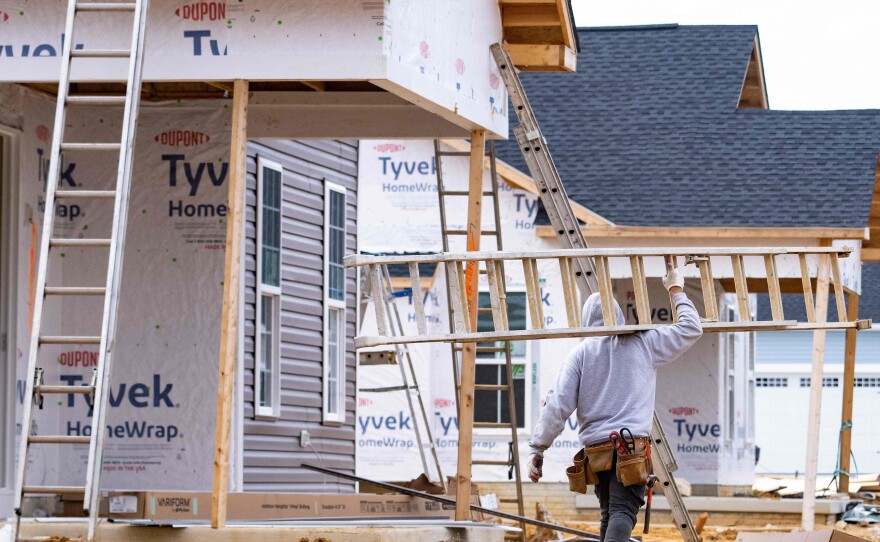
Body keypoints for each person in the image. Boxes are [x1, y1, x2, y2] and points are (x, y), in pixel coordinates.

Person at [526, 266, 703, 542]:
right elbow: (691, 328)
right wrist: (675, 288)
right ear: (619, 317)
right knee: (621, 512)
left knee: (609, 514)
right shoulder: (643, 343)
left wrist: (538, 448)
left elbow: (557, 404)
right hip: (629, 448)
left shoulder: (580, 355)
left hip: (596, 452)